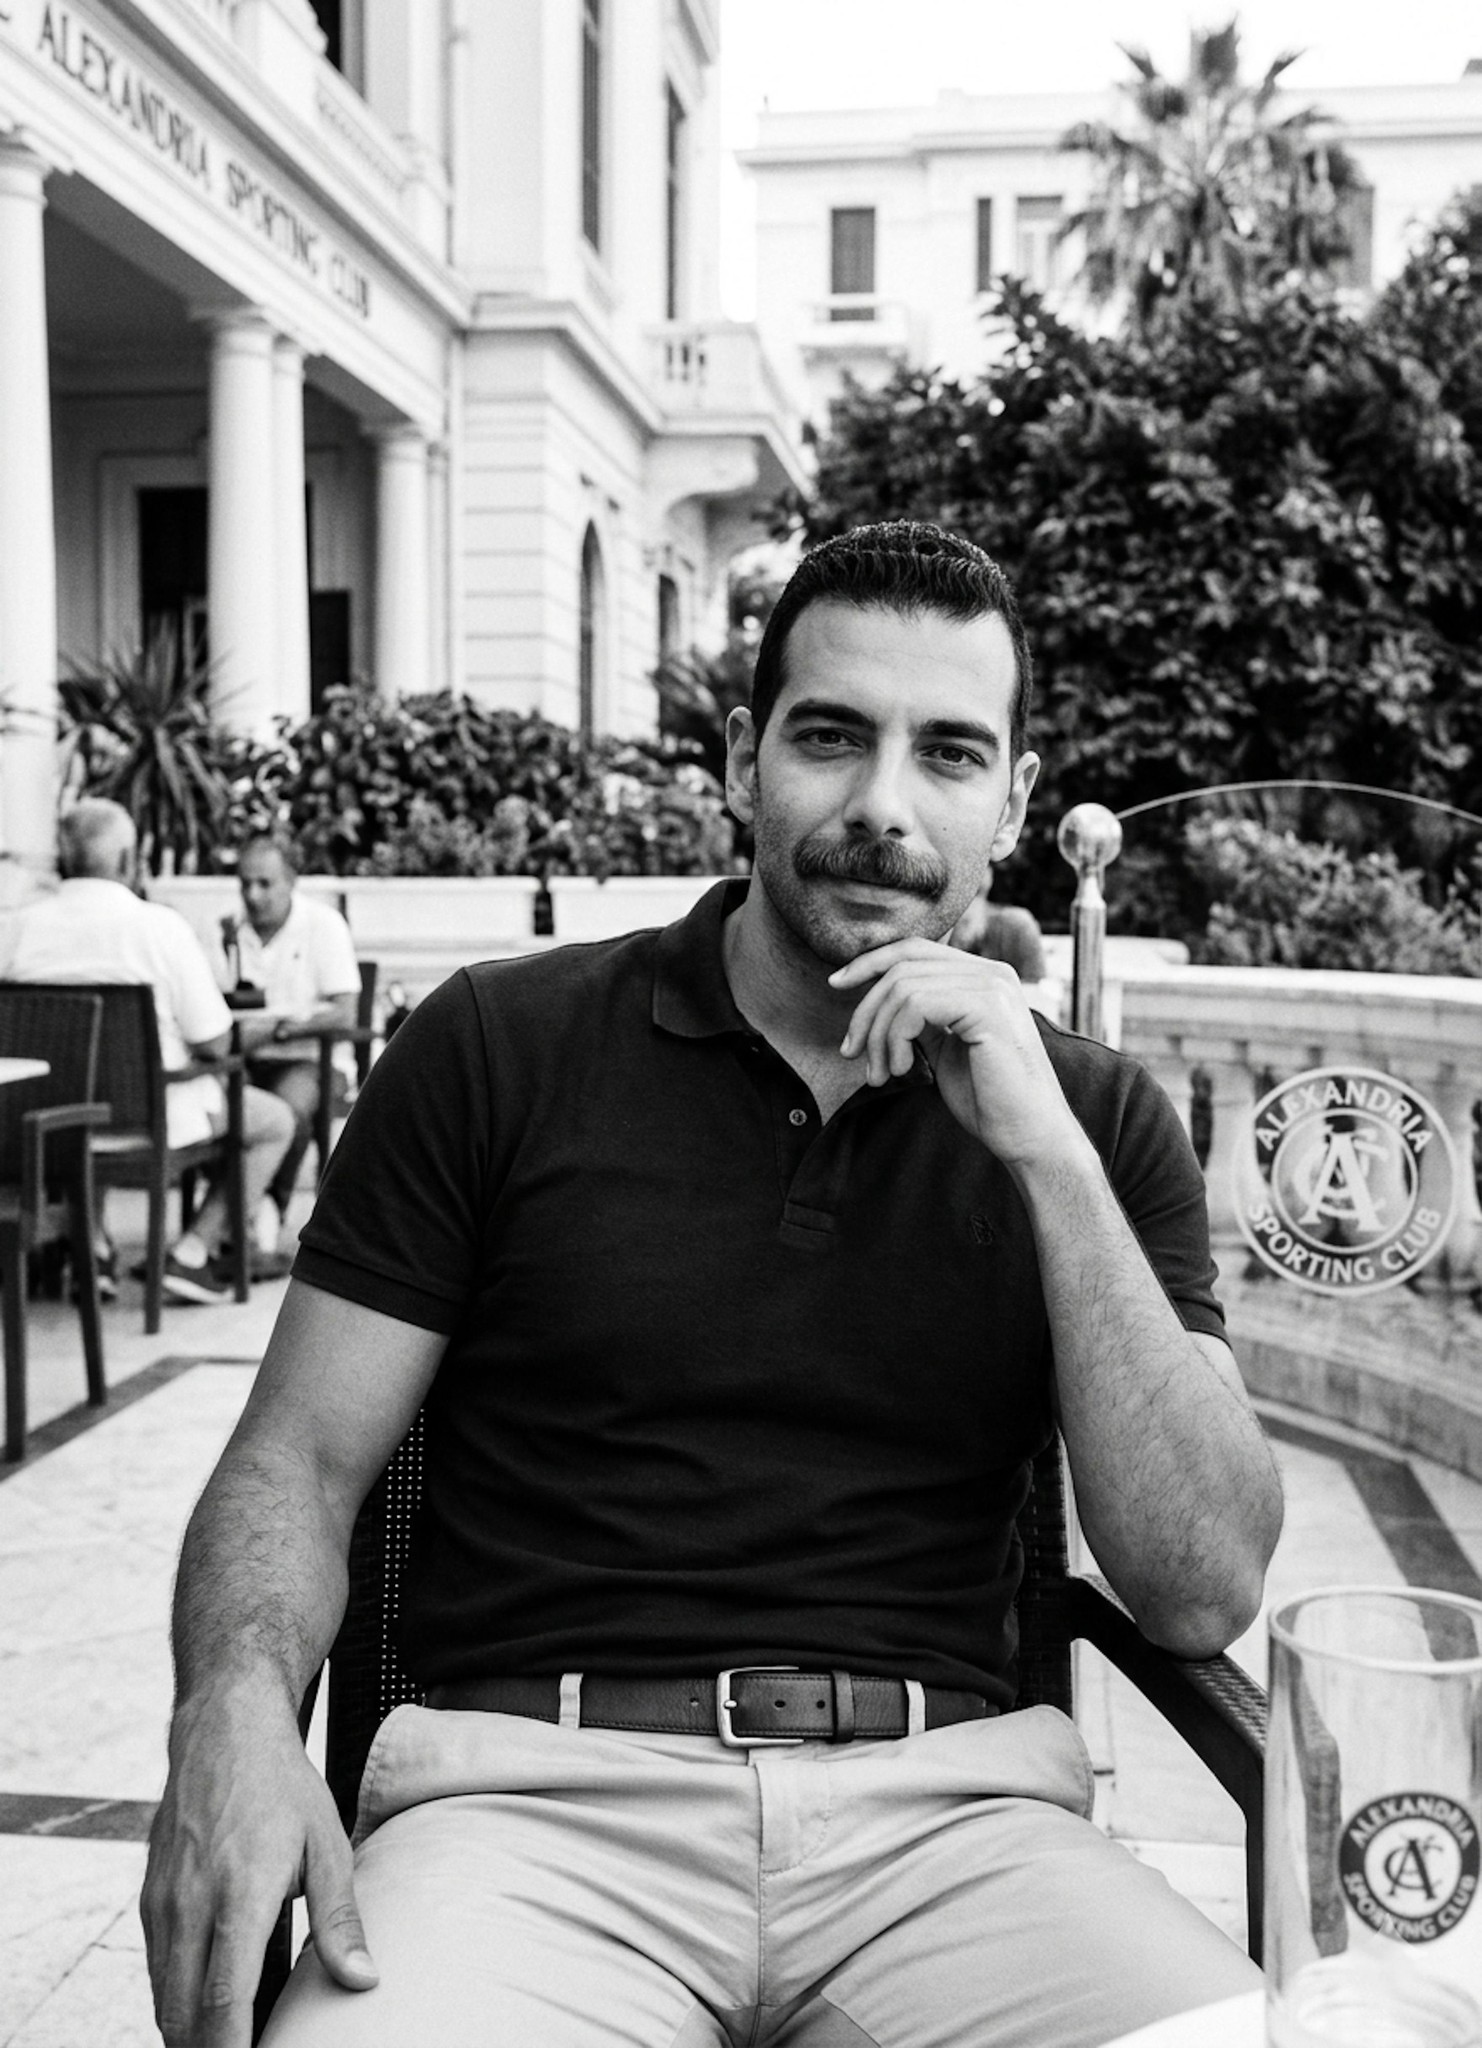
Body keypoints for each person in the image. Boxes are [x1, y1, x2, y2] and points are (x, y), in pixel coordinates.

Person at [142, 523, 1283, 2048]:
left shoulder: (1096, 1120)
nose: (881, 807)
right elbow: (294, 1461)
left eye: (945, 754)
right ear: (743, 761)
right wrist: (229, 1709)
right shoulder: (498, 1048)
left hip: (959, 1834)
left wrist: (1049, 1165)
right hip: (528, 1821)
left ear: (1011, 802)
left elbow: (1200, 1587)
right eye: (829, 737)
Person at [0, 799, 295, 1305]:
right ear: (126, 860)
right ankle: (193, 1252)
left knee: (86, 1090)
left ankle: (90, 1245)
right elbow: (215, 1041)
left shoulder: (16, 929)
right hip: (149, 1118)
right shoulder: (158, 928)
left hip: (41, 1117)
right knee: (275, 1122)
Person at [219, 834, 361, 1256]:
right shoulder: (227, 931)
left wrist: (279, 1030)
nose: (253, 895)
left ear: (291, 880)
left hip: (313, 1059)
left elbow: (345, 1012)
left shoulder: (322, 926)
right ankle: (226, 1222)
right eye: (245, 883)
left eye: (265, 884)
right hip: (242, 1059)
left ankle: (263, 1211)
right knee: (211, 1107)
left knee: (290, 1106)